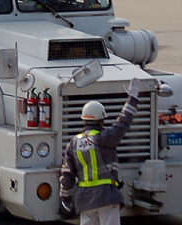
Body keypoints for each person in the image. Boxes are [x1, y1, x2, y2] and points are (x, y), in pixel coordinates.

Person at [59, 79, 143, 224]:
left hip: (84, 201)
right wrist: (132, 99)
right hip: (107, 197)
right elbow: (123, 122)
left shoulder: (73, 144)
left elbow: (67, 176)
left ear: (84, 120)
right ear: (101, 121)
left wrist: (65, 198)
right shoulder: (105, 138)